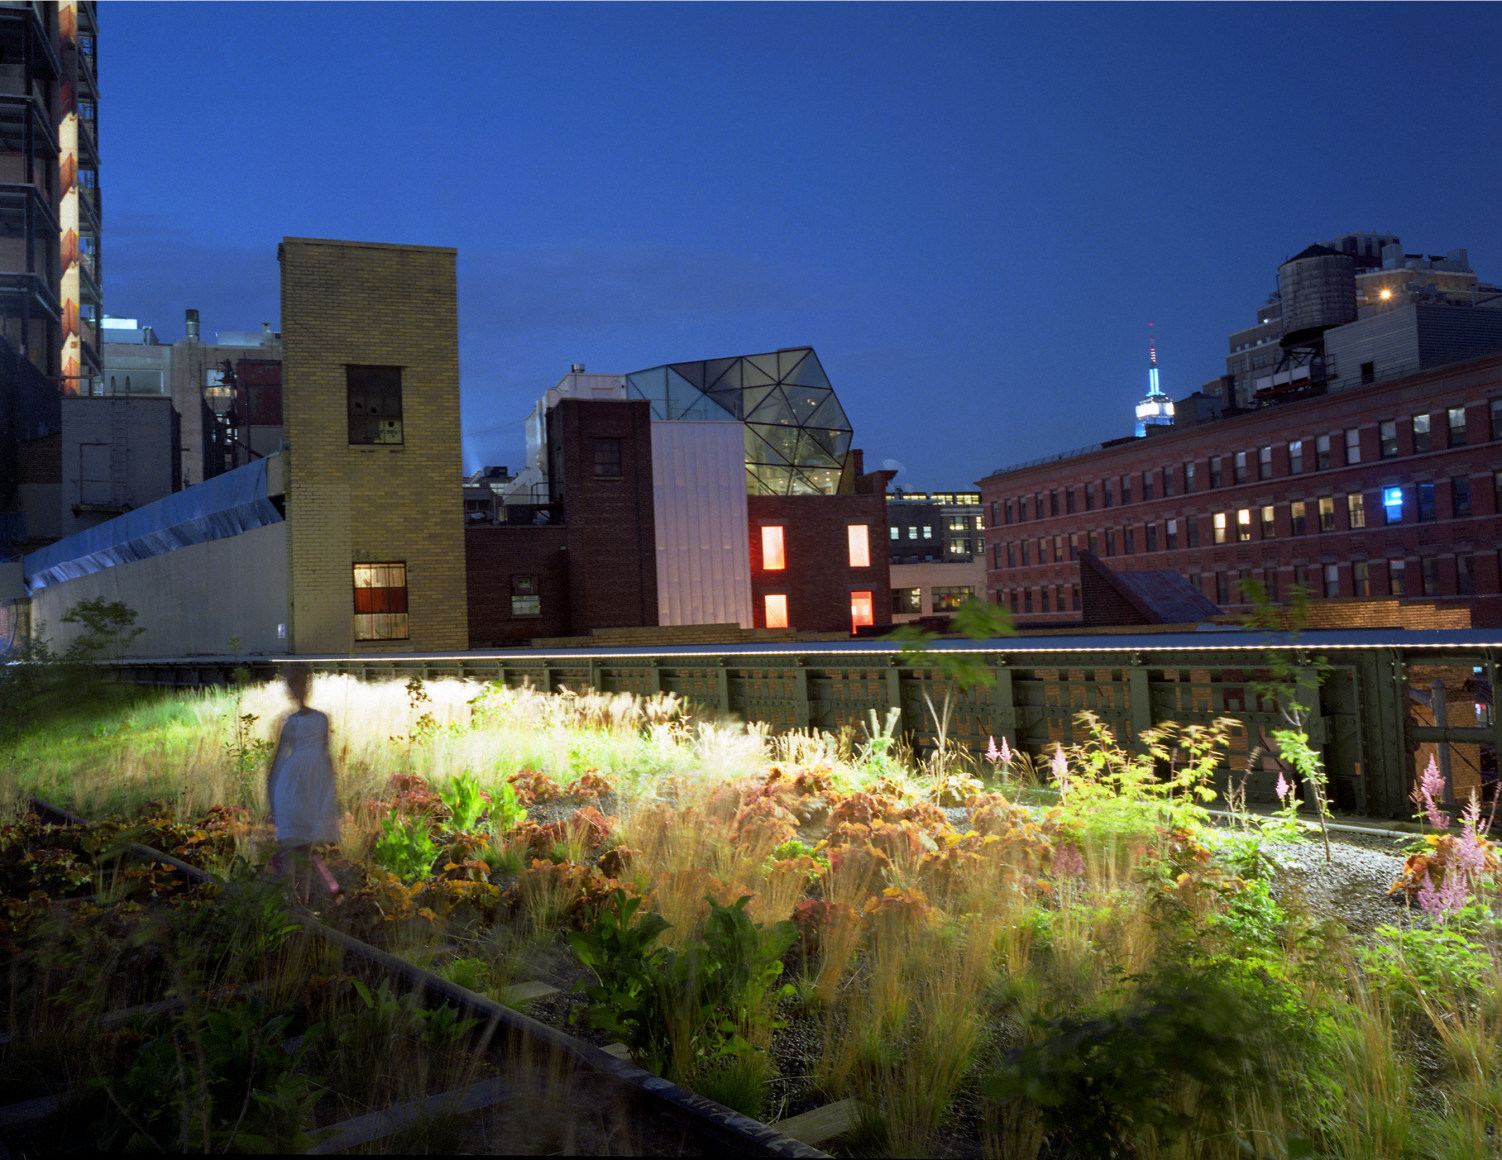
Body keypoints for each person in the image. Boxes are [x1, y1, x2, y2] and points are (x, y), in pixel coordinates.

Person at [266, 663, 341, 906]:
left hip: (312, 788)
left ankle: (302, 904)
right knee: (293, 847)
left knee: (306, 848)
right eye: (294, 684)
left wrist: (329, 795)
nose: (298, 689)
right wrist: (272, 796)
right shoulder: (289, 721)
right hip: (291, 787)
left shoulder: (322, 718)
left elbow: (327, 757)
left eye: (301, 683)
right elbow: (278, 760)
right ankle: (292, 903)